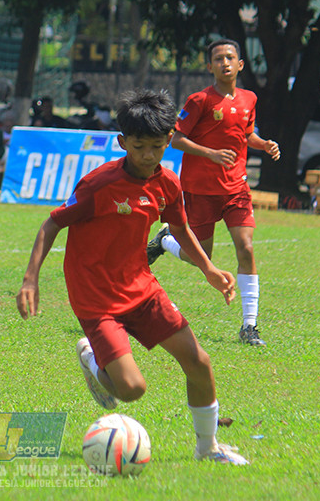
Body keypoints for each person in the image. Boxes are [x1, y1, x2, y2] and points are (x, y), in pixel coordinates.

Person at [16, 89, 249, 465]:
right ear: (123, 142)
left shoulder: (168, 183)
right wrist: (31, 279)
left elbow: (181, 228)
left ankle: (208, 448)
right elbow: (52, 224)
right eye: (139, 146)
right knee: (131, 390)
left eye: (156, 147)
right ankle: (93, 358)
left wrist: (209, 269)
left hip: (141, 288)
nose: (147, 155)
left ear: (169, 140)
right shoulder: (98, 185)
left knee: (199, 362)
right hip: (96, 297)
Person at [146, 39, 281, 347]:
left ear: (241, 64)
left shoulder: (249, 98)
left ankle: (249, 325)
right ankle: (165, 242)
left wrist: (264, 144)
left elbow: (245, 134)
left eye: (230, 57)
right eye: (218, 59)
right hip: (200, 190)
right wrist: (209, 154)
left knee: (245, 248)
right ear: (209, 67)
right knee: (201, 257)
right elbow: (174, 139)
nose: (225, 63)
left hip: (236, 188)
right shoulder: (199, 100)